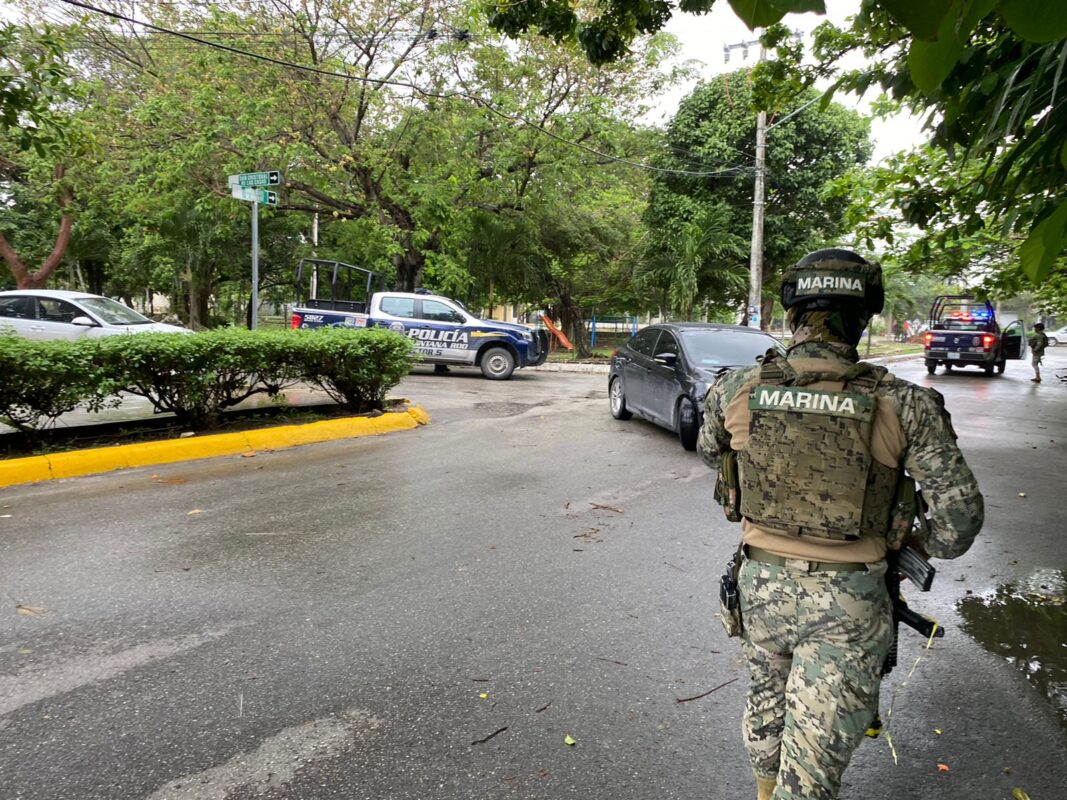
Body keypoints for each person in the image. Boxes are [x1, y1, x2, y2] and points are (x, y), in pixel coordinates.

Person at [697, 249, 984, 800]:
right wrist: (911, 540)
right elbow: (959, 519)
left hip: (760, 586)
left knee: (766, 700)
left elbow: (715, 453)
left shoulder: (737, 388)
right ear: (865, 315)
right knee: (811, 776)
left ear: (793, 313)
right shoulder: (904, 403)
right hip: (850, 603)